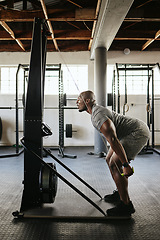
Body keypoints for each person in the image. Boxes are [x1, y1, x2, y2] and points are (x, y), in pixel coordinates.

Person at [76, 90, 150, 217]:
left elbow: (114, 140)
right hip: (125, 134)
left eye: (79, 99)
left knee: (115, 163)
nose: (77, 102)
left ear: (87, 101)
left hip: (137, 132)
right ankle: (120, 193)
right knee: (109, 161)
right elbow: (114, 138)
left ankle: (126, 205)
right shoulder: (95, 113)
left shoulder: (98, 115)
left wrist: (126, 164)